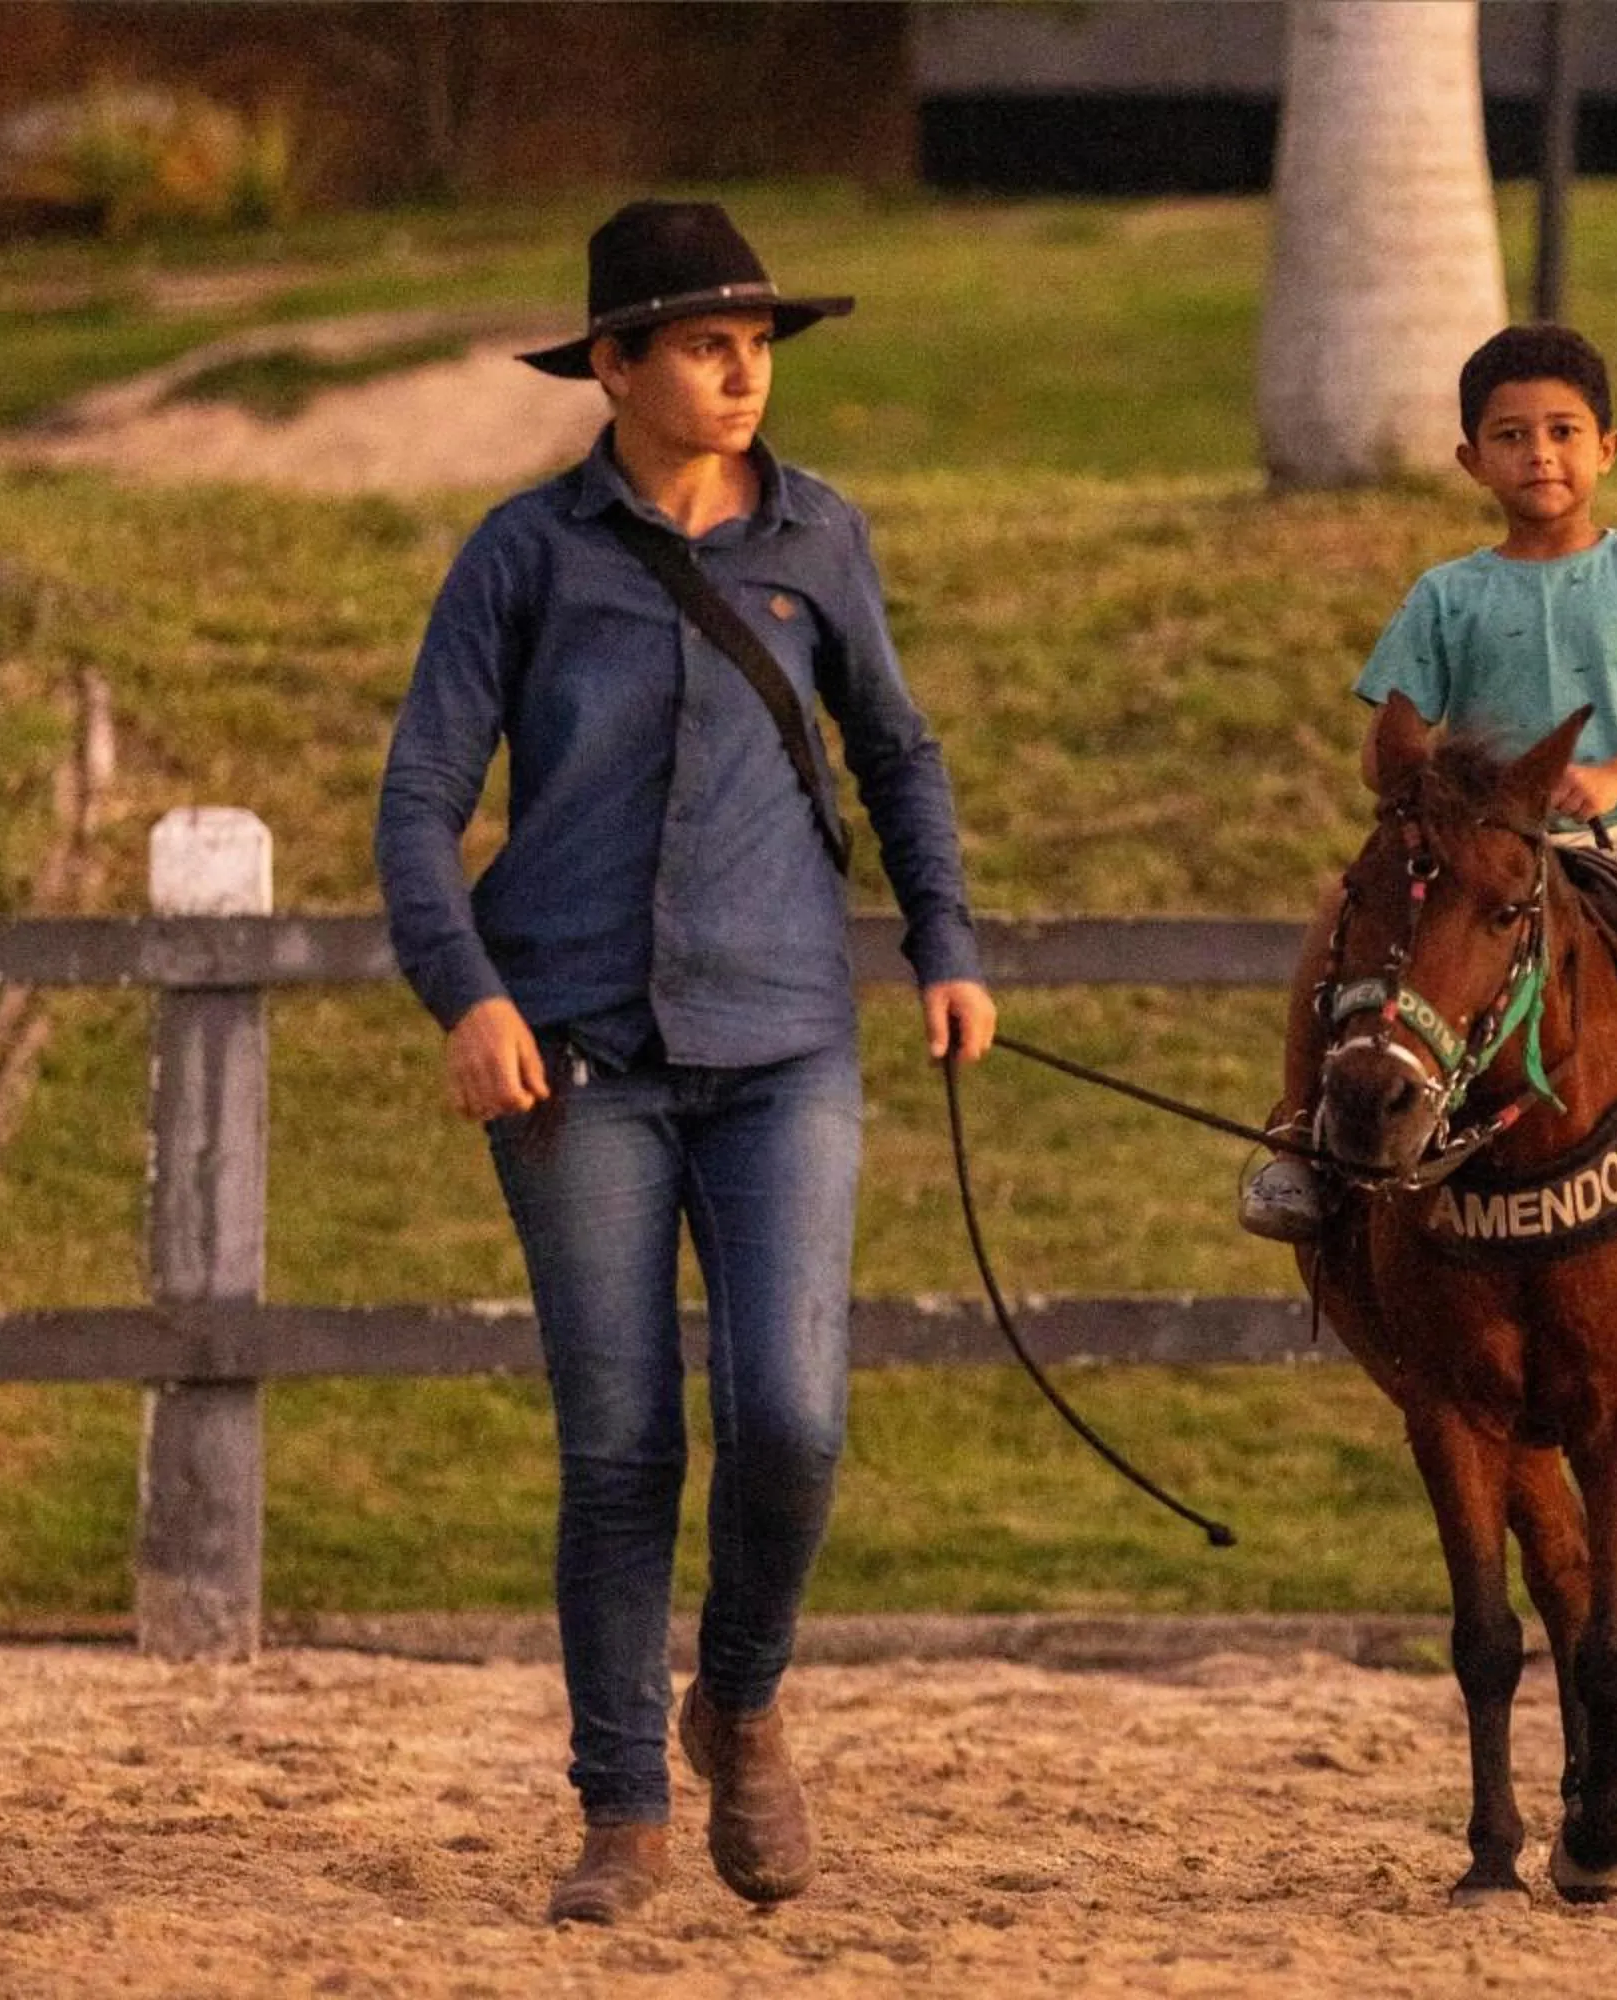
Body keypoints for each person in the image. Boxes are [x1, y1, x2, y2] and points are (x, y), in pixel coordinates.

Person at [373, 200, 996, 1927]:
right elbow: (421, 800)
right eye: (705, 345)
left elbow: (900, 753)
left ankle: (740, 1695)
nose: (742, 372)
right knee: (622, 1444)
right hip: (571, 1050)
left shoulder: (823, 537)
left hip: (786, 1037)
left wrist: (945, 943)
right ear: (615, 366)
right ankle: (621, 1811)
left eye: (759, 344)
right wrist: (465, 994)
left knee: (792, 1420)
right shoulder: (522, 554)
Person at [1242, 322, 1617, 1243]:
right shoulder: (1447, 594)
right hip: (1486, 849)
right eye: (1511, 436)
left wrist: (1616, 778)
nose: (1539, 455)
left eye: (1563, 432)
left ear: (1606, 450)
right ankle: (1297, 1138)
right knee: (1339, 916)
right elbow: (1389, 748)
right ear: (1471, 461)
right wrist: (1415, 769)